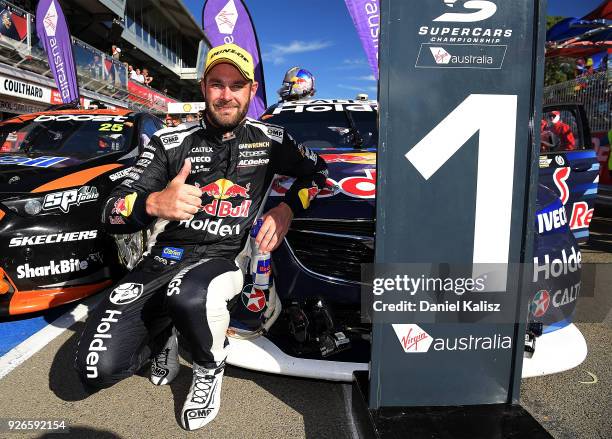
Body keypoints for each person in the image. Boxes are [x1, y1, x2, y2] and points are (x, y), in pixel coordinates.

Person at [74, 43, 328, 431]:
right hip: (166, 256)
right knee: (96, 370)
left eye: (236, 85)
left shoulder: (271, 138)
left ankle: (209, 367)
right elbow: (111, 211)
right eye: (216, 84)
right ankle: (168, 333)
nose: (226, 95)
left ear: (251, 90)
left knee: (189, 294)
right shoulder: (170, 142)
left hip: (226, 258)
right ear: (204, 89)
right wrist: (155, 203)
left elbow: (318, 172)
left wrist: (288, 207)